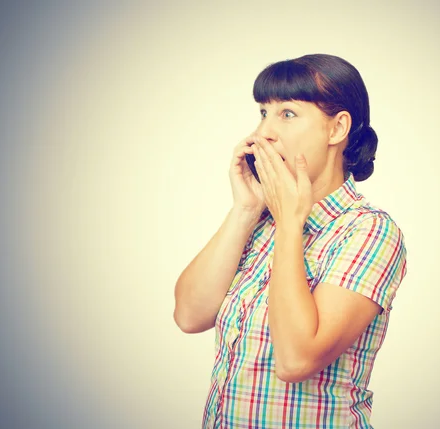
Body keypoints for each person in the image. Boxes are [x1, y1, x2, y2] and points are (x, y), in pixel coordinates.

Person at [174, 53, 407, 428]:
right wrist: (246, 210)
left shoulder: (369, 231)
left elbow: (296, 360)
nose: (263, 132)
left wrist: (289, 224)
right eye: (263, 112)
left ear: (337, 129)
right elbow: (188, 315)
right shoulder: (261, 222)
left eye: (287, 113)